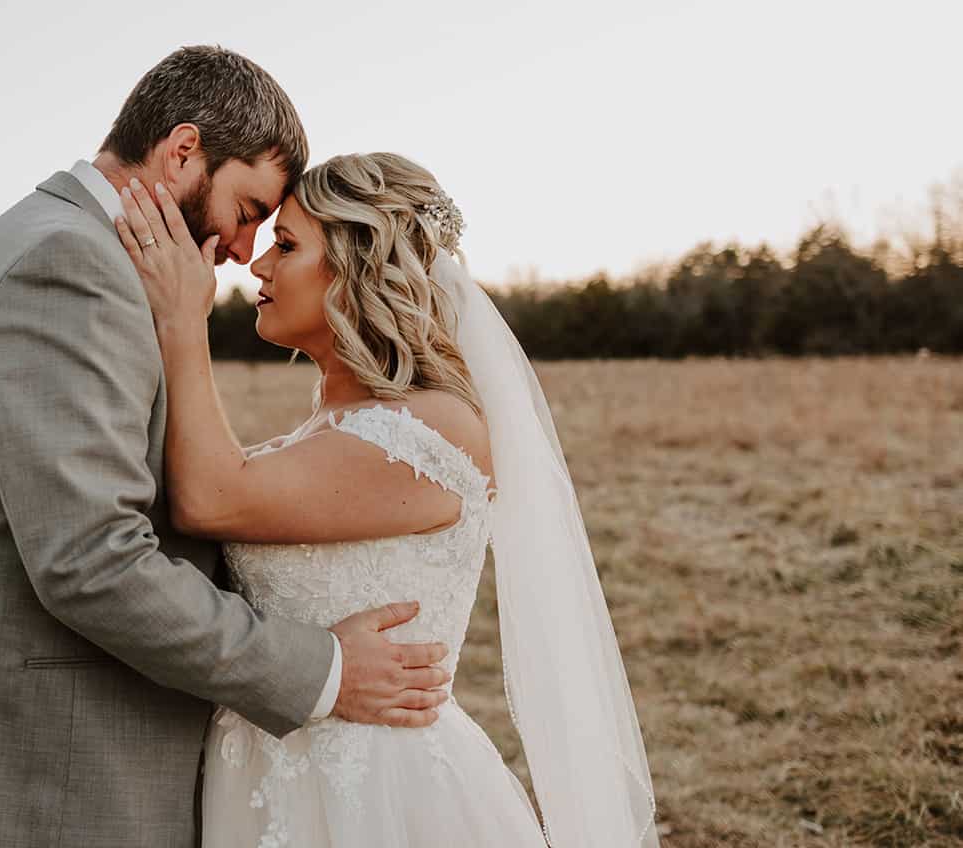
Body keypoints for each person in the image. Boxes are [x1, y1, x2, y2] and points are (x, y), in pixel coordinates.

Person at [0, 48, 453, 848]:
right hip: (56, 763)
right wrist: (322, 671)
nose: (241, 251)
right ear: (183, 150)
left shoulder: (54, 243)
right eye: (246, 209)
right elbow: (91, 560)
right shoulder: (69, 265)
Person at [112, 151, 659, 847]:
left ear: (357, 267)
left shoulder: (431, 431)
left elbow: (212, 500)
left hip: (378, 795)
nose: (259, 267)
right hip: (261, 777)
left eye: (286, 246)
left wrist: (181, 322)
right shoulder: (324, 427)